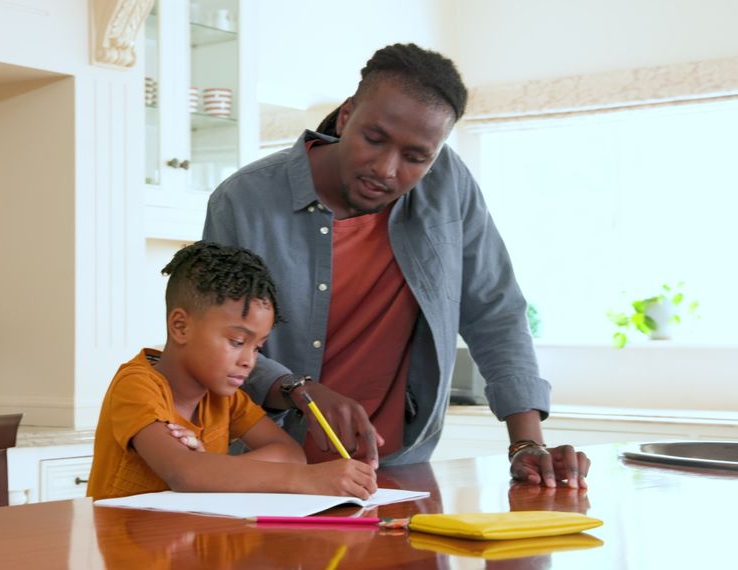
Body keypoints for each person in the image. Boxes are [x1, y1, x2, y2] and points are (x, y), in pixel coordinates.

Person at [202, 43, 590, 488]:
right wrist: (299, 389)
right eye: (374, 139)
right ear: (346, 115)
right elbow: (217, 341)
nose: (386, 170)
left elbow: (493, 308)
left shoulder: (449, 185)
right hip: (268, 472)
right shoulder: (243, 200)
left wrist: (526, 443)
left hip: (396, 471)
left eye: (415, 157)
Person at [86, 241, 378, 500]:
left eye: (258, 347)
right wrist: (310, 480)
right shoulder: (137, 385)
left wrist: (210, 468)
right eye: (238, 342)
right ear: (180, 326)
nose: (249, 361)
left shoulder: (225, 398)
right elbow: (183, 472)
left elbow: (291, 454)